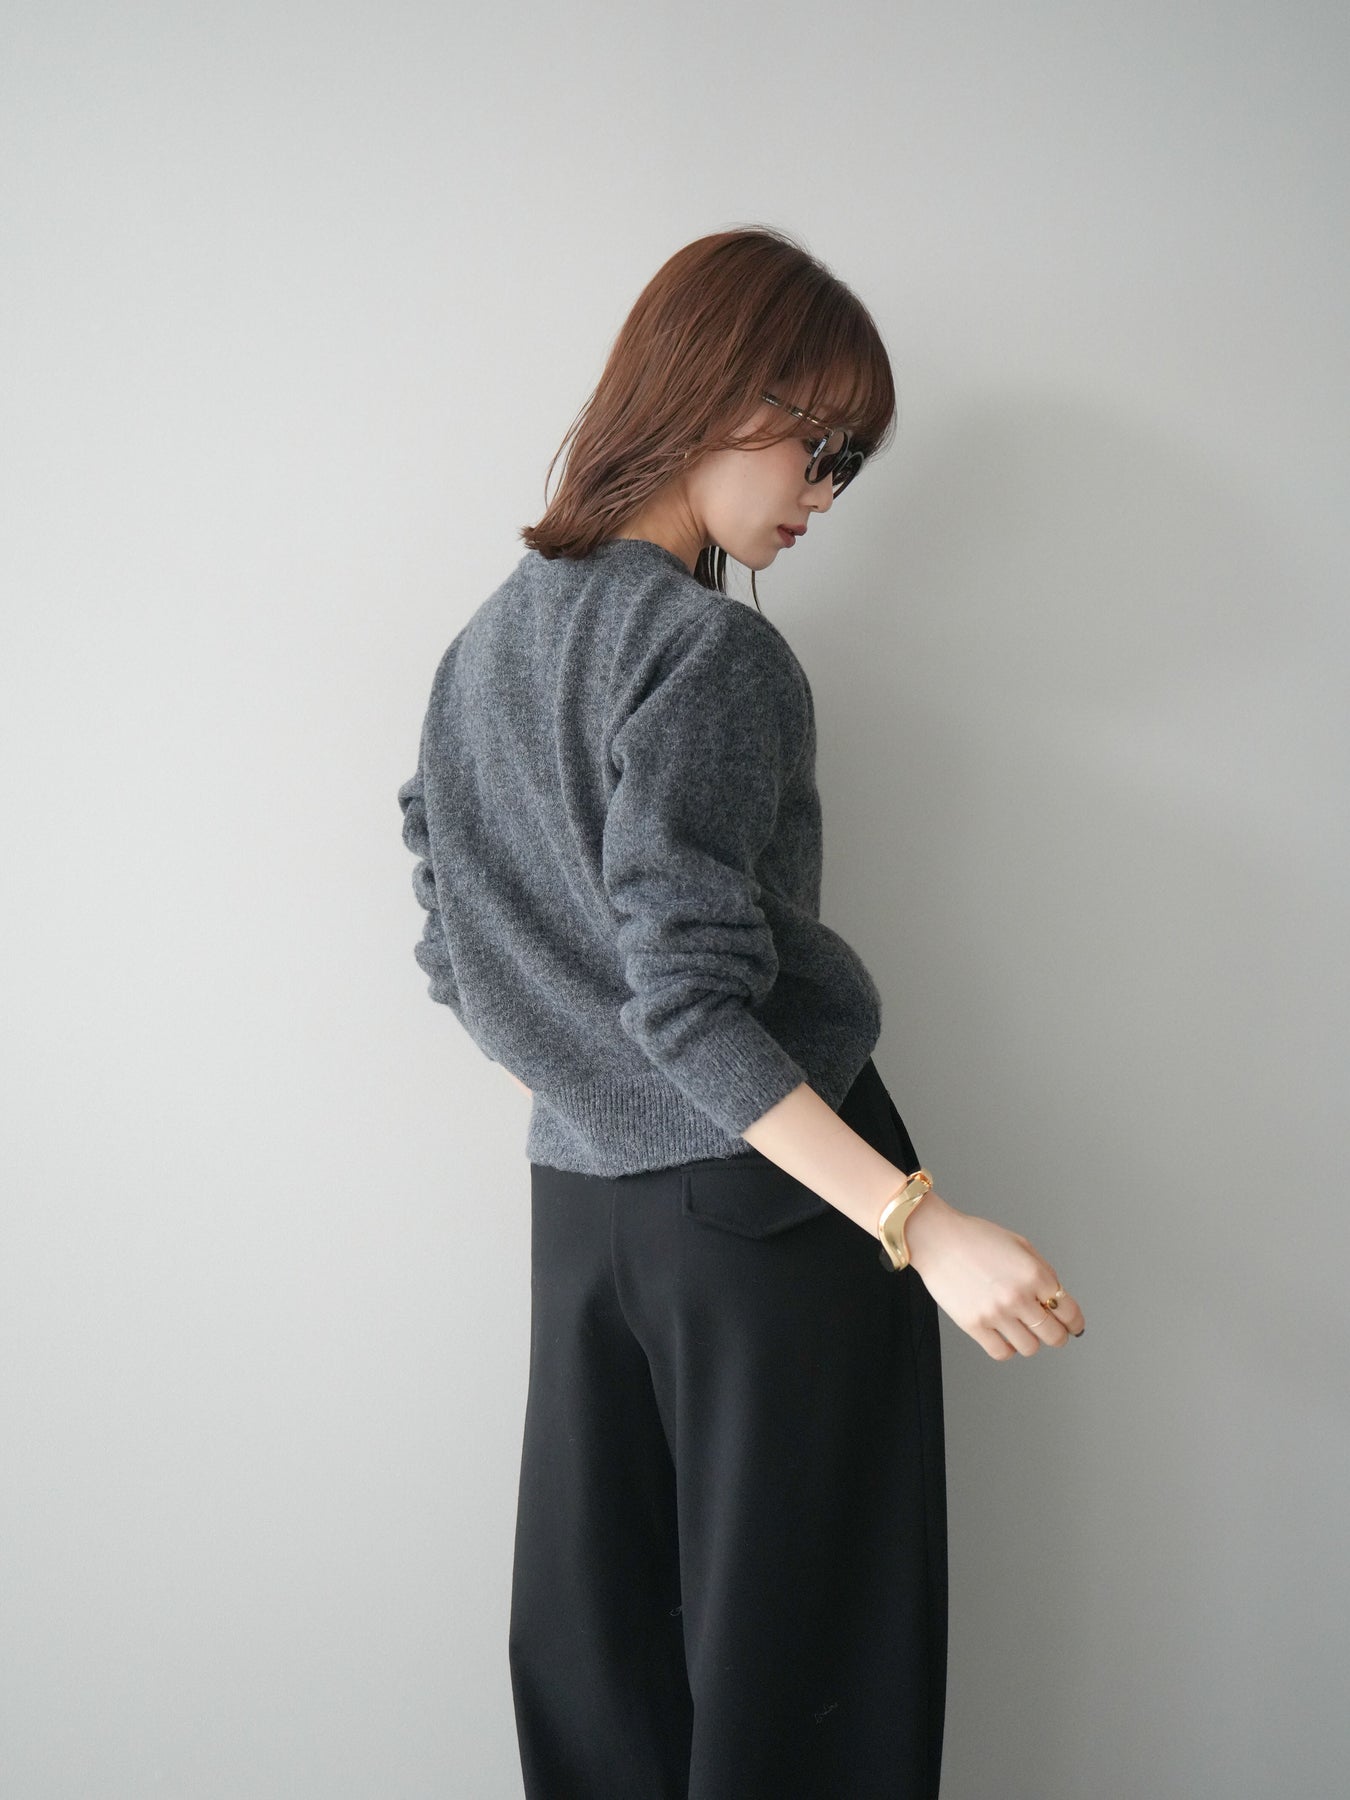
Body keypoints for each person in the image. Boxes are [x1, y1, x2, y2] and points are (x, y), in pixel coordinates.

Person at [398, 225, 1086, 1800]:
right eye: (818, 444)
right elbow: (693, 1000)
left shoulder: (481, 648)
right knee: (807, 1680)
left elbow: (455, 940)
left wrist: (583, 1071)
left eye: (847, 465)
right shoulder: (710, 651)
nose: (823, 496)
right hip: (774, 1211)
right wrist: (918, 1220)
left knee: (603, 1670)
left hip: (582, 1215)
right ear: (717, 392)